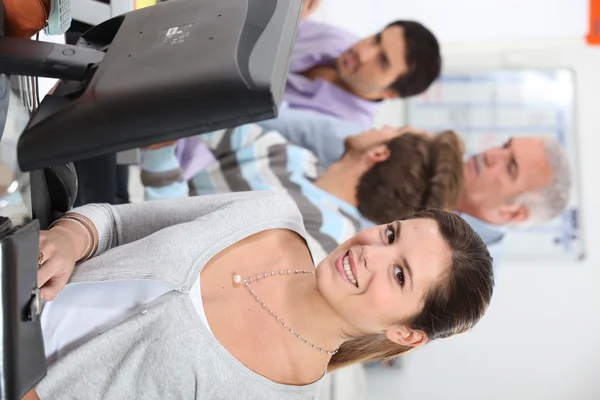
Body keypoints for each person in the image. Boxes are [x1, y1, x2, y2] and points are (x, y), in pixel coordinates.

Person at [26, 190, 494, 399]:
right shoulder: (271, 214)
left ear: (406, 333)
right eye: (391, 235)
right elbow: (116, 223)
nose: (371, 252)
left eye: (399, 275)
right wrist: (71, 238)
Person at [259, 109, 572, 258]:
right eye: (505, 145)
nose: (492, 154)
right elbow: (313, 130)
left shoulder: (463, 276)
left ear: (514, 213)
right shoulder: (419, 151)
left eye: (510, 166)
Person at [140, 125, 465, 262]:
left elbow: (181, 241)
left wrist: (159, 151)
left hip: (138, 238)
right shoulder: (297, 159)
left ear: (379, 153)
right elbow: (217, 123)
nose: (378, 127)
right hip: (133, 197)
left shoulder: (326, 238)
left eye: (389, 129)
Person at [284, 19, 441, 127]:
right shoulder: (335, 39)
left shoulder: (342, 130)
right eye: (376, 39)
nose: (363, 53)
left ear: (390, 93)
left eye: (382, 61)